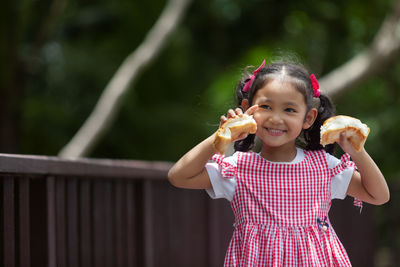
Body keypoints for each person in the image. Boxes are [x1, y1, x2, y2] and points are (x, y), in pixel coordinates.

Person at [168, 59, 390, 266]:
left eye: (289, 110)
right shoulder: (238, 169)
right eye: (266, 107)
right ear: (247, 108)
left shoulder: (323, 167)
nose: (276, 118)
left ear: (308, 118)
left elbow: (378, 196)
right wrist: (221, 135)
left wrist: (357, 152)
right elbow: (178, 176)